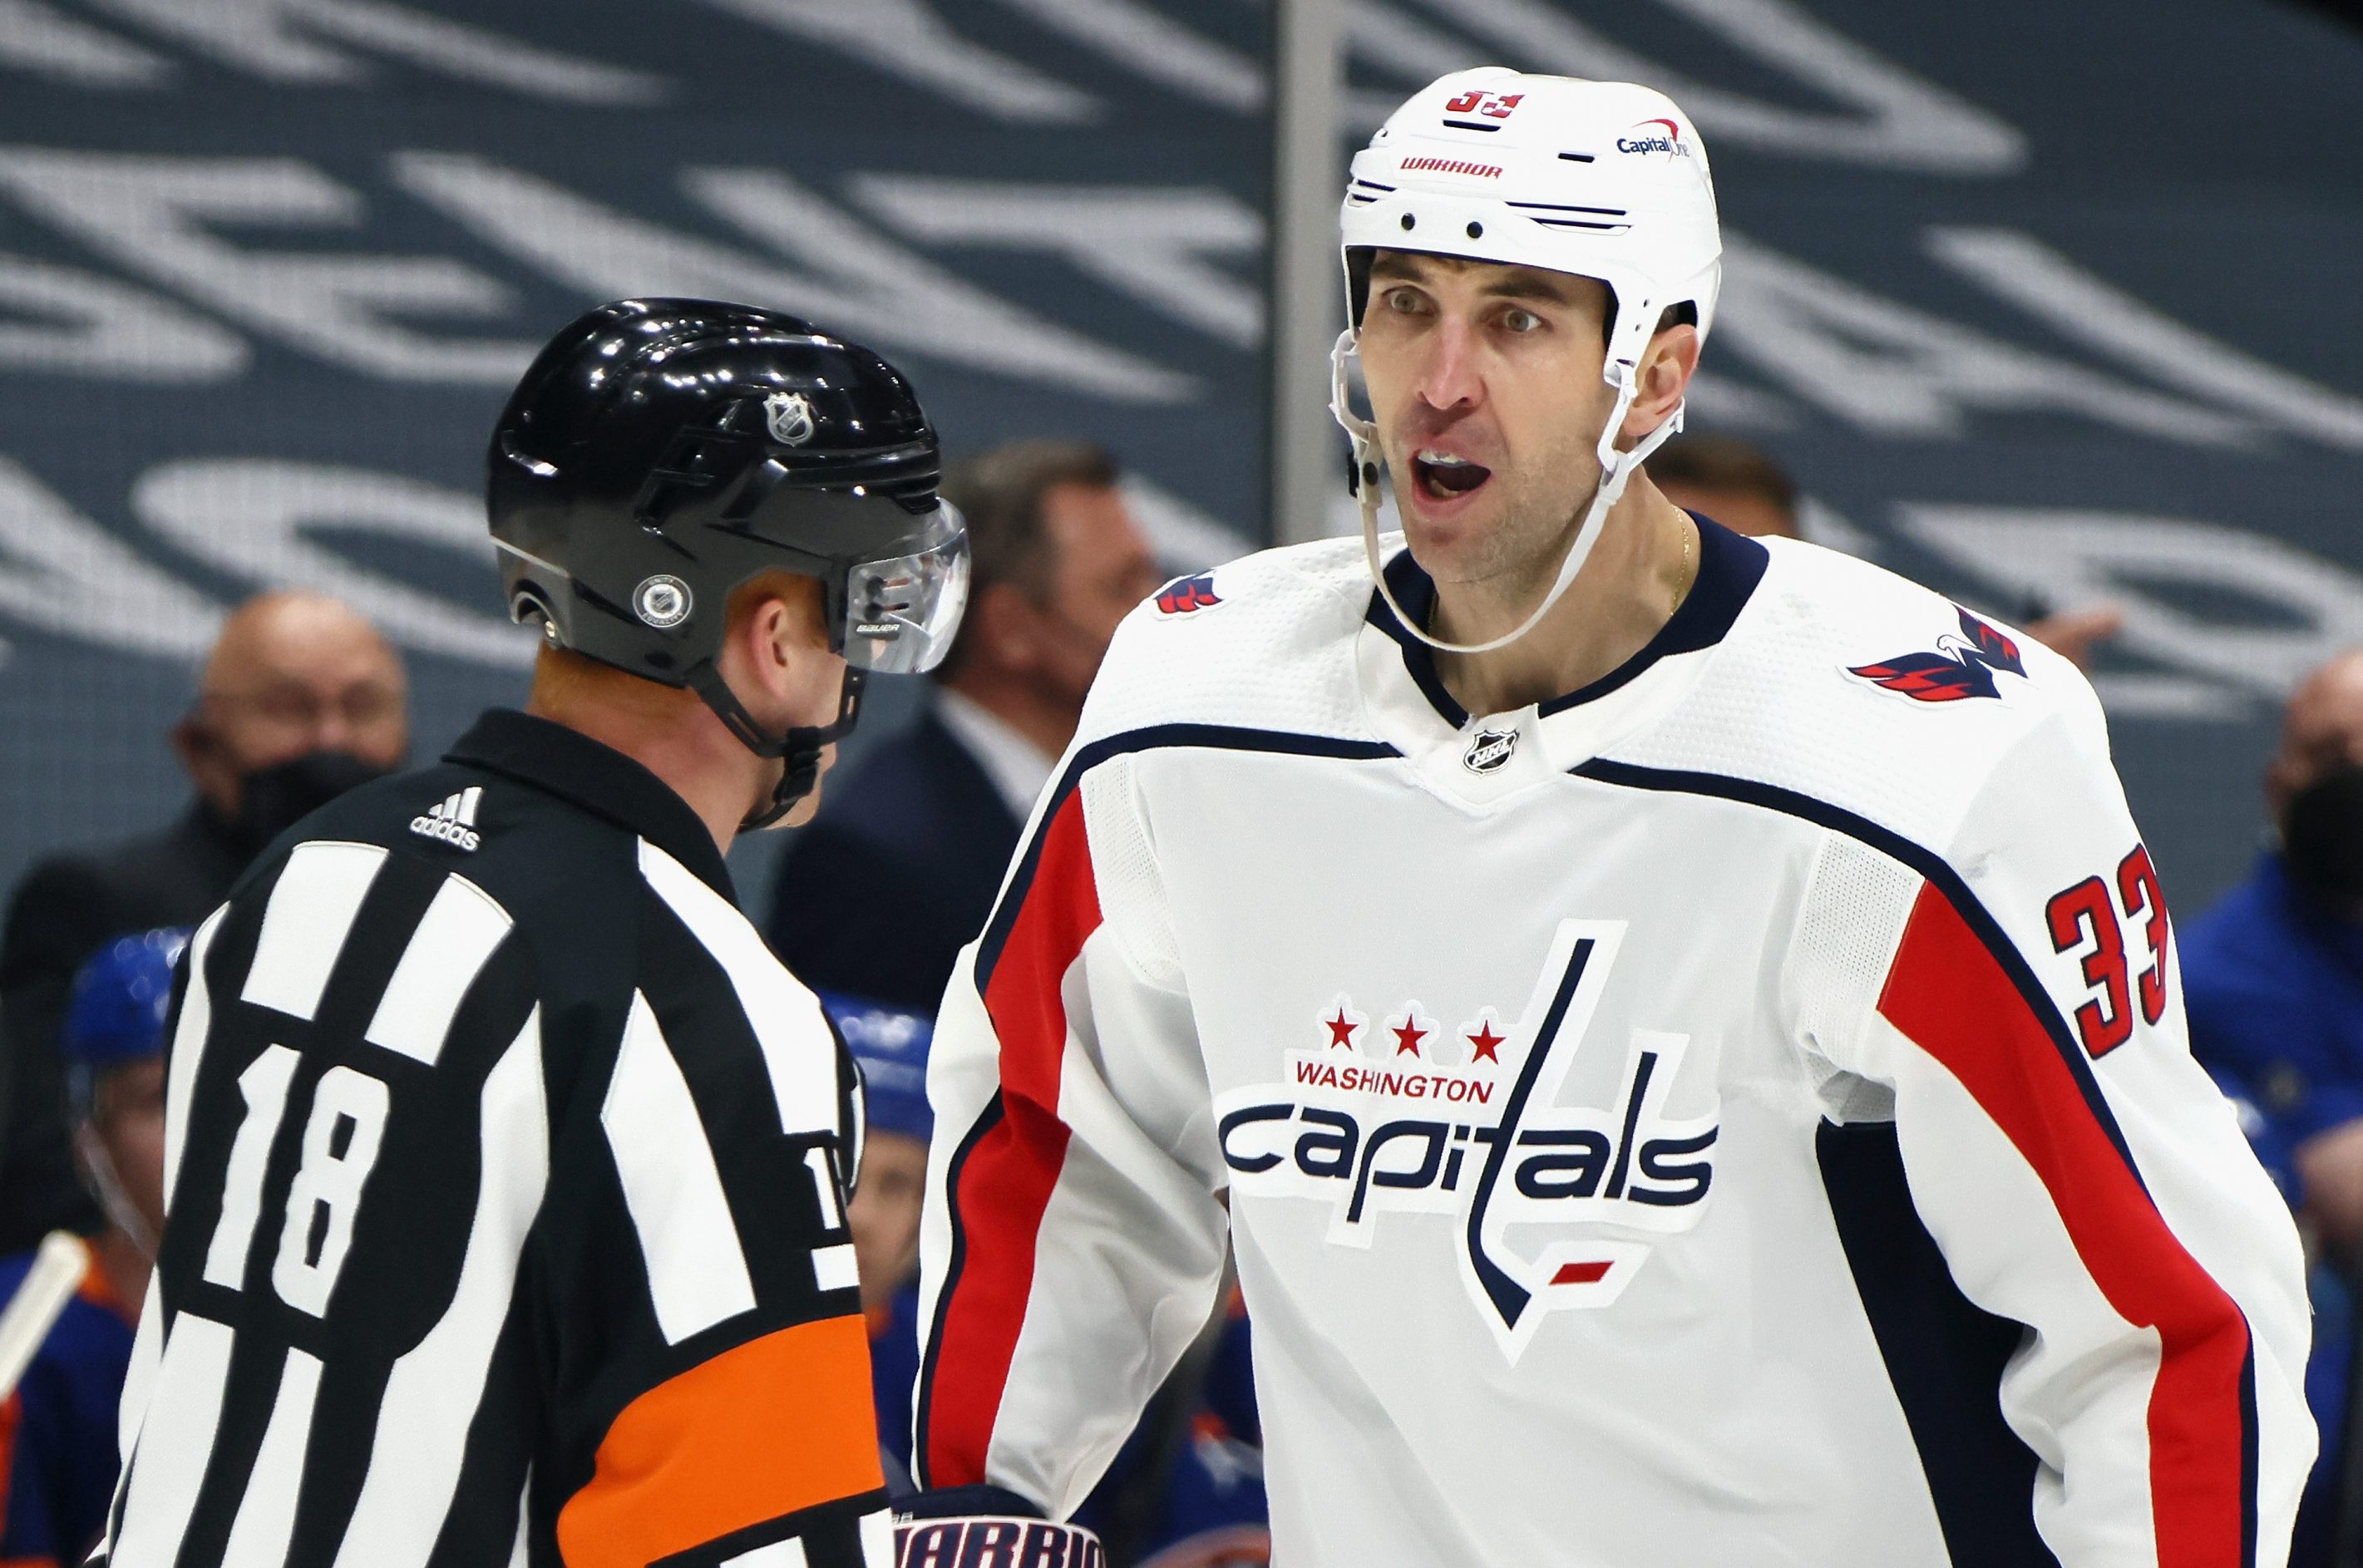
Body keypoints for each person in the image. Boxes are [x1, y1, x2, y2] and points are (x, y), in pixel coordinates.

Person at [911, 68, 2313, 1565]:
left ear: (1651, 374)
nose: (1438, 379)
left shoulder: (1919, 765)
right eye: (1401, 301)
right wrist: (977, 1498)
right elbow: (1061, 1139)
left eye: (1517, 317)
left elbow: (2165, 1319)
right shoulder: (1199, 701)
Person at [96, 299, 970, 1566]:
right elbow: (744, 1535)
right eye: (863, 608)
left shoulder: (299, 880)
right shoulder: (704, 1008)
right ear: (775, 640)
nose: (860, 668)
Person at [0, 593, 408, 1254]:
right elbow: (45, 1168)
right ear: (198, 742)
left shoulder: (452, 926)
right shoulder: (94, 902)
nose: (332, 739)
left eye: (362, 708)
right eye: (289, 709)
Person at [768, 440, 1162, 1013]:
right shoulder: (872, 864)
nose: (1156, 611)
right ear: (1011, 628)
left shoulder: (1151, 805)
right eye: (1122, 587)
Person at [0, 929, 183, 1567]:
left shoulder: (321, 1319)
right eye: (162, 1099)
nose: (202, 1127)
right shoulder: (27, 1331)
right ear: (89, 1139)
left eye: (220, 1090)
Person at [1646, 429, 2125, 670]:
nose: (1724, 584)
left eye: (1751, 560)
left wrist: (2007, 696)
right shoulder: (1575, 700)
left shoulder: (1857, 711)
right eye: (1696, 559)